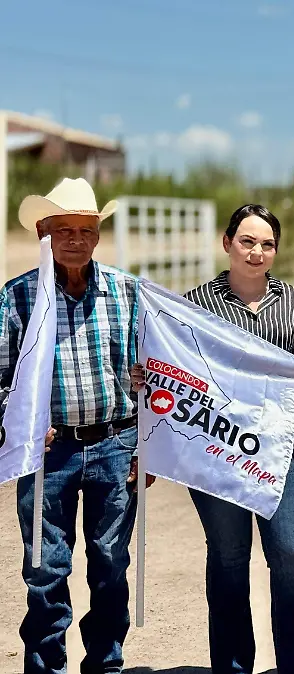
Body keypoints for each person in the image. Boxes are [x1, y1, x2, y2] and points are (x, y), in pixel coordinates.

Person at [172, 204, 294, 673]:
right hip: (218, 452)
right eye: (247, 241)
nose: (257, 252)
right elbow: (178, 373)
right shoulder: (194, 304)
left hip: (282, 453)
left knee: (292, 554)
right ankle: (233, 667)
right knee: (228, 559)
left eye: (267, 244)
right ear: (227, 243)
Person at [4, 177, 147, 674]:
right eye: (60, 229)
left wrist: (144, 445)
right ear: (41, 233)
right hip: (47, 453)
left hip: (115, 442)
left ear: (98, 236)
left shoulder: (127, 292)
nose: (72, 239)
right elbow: (1, 379)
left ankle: (106, 662)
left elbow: (148, 376)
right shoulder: (18, 297)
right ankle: (46, 667)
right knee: (46, 569)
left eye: (83, 229)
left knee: (110, 564)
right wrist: (22, 421)